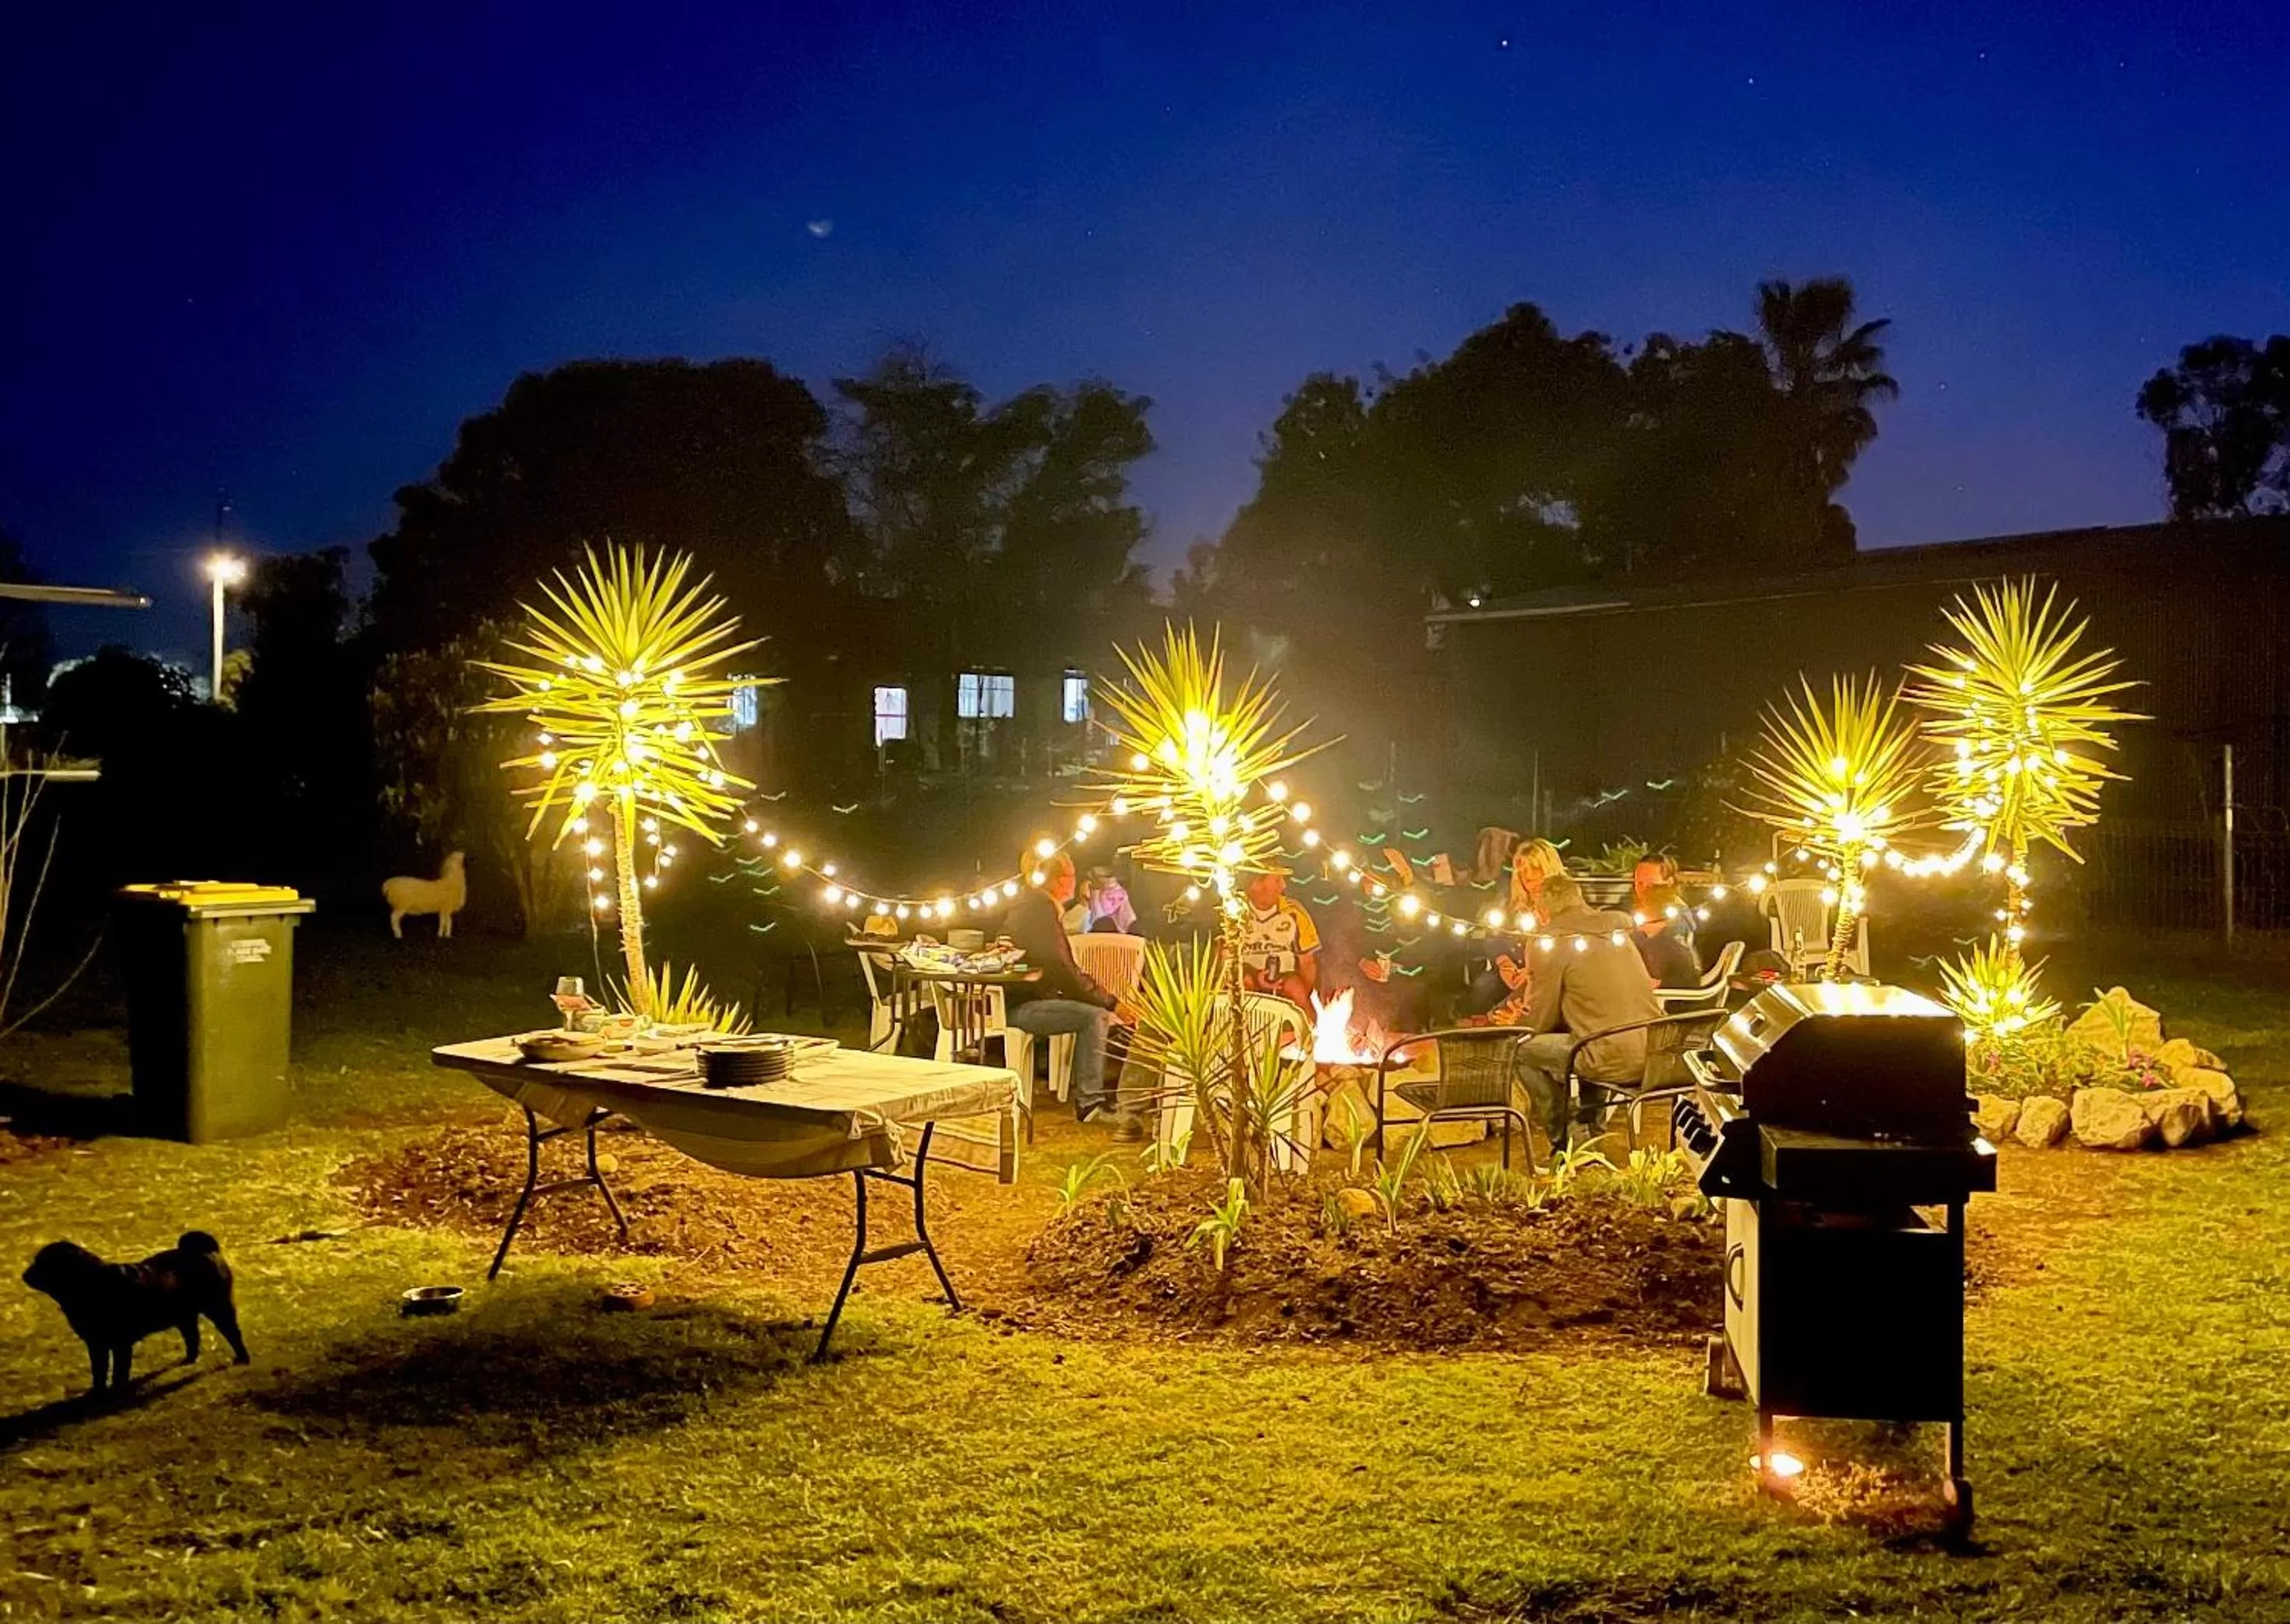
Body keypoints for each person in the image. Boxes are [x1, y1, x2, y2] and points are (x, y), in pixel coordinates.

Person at [1514, 874, 1662, 1152]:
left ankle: (1567, 1139)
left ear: (1543, 908)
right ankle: (1593, 1131)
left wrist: (1515, 1024)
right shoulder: (1617, 933)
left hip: (1606, 1054)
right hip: (1655, 1052)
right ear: (1579, 897)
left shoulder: (1551, 941)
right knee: (1589, 1035)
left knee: (1520, 1049)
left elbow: (1539, 1020)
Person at [999, 850, 1123, 1122]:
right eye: (1070, 874)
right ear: (1057, 880)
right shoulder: (1039, 910)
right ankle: (1090, 1103)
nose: (1073, 880)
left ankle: (1100, 1098)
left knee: (1095, 1013)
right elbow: (1062, 968)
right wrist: (1109, 1001)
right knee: (1095, 1017)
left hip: (1015, 1001)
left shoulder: (1029, 905)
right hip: (1022, 1006)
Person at [1462, 837, 1568, 1016]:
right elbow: (1493, 937)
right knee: (1483, 989)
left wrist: (1531, 971)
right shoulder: (1509, 902)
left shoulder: (1567, 903)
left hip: (1547, 975)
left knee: (1519, 1001)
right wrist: (1504, 964)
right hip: (1511, 970)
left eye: (1534, 868)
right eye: (1522, 869)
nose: (1529, 875)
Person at [1235, 868, 1319, 1006]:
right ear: (1256, 884)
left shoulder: (1293, 912)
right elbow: (1224, 960)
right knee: (1243, 983)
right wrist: (1255, 976)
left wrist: (1306, 995)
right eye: (1277, 880)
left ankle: (1309, 1025)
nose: (1283, 886)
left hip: (1285, 979)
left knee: (1296, 989)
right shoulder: (1235, 912)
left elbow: (1307, 962)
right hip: (1248, 977)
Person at [1632, 882, 1703, 989]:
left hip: (1673, 998)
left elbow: (1687, 978)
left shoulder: (1672, 943)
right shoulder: (1644, 938)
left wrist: (1661, 984)